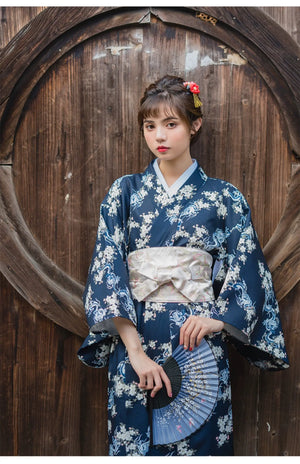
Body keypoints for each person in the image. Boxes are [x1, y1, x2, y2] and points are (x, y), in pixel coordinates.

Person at [77, 75, 289, 456]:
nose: (160, 135)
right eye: (150, 125)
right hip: (135, 347)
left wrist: (218, 320)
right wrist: (135, 353)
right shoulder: (123, 192)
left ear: (195, 125)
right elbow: (107, 273)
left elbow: (249, 272)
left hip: (198, 350)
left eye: (171, 124)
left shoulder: (224, 198)